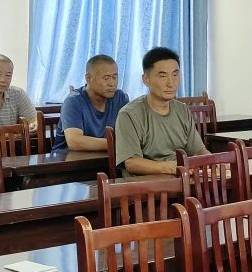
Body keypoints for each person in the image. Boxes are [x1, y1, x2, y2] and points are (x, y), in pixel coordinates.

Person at [113, 47, 206, 176]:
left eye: (175, 75)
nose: (171, 83)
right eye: (163, 76)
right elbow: (132, 163)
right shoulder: (129, 114)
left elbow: (199, 151)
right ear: (146, 79)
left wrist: (212, 164)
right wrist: (172, 168)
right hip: (146, 184)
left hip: (181, 178)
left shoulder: (182, 110)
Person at [54, 54, 129, 152]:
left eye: (114, 77)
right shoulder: (73, 101)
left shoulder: (120, 98)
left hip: (105, 156)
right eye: (106, 78)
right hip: (68, 158)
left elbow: (131, 133)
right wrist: (119, 144)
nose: (112, 83)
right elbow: (75, 142)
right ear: (88, 78)